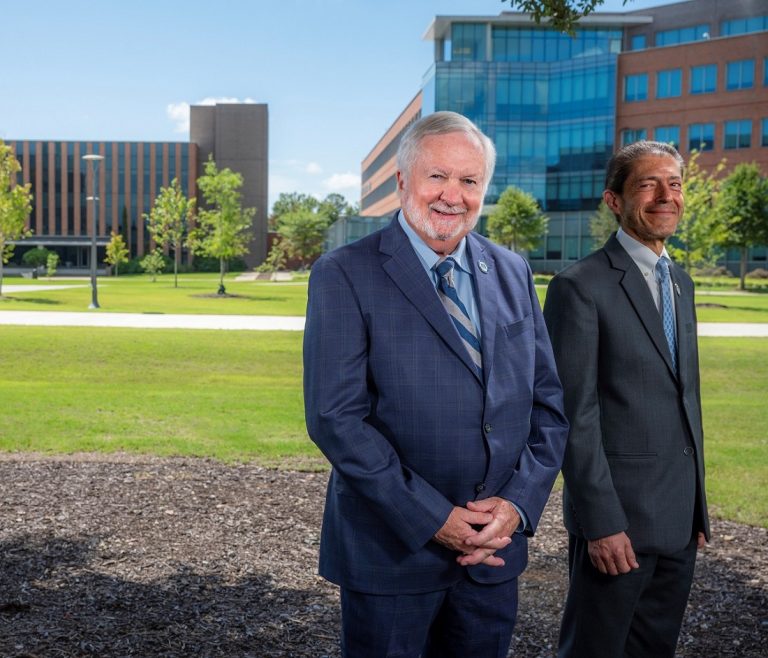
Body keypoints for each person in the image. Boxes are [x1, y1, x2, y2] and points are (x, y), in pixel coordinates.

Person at [303, 111, 568, 658]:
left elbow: (547, 408)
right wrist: (434, 520)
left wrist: (515, 508)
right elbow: (336, 418)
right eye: (437, 177)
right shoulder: (345, 273)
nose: (454, 195)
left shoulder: (513, 272)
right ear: (403, 181)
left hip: (493, 554)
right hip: (392, 554)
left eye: (469, 181)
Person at [543, 140, 710, 658]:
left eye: (675, 183)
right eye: (648, 184)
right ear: (614, 200)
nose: (666, 196)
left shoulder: (680, 282)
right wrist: (601, 522)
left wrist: (696, 507)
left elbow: (684, 400)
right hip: (618, 524)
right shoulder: (579, 286)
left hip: (678, 519)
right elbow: (574, 415)